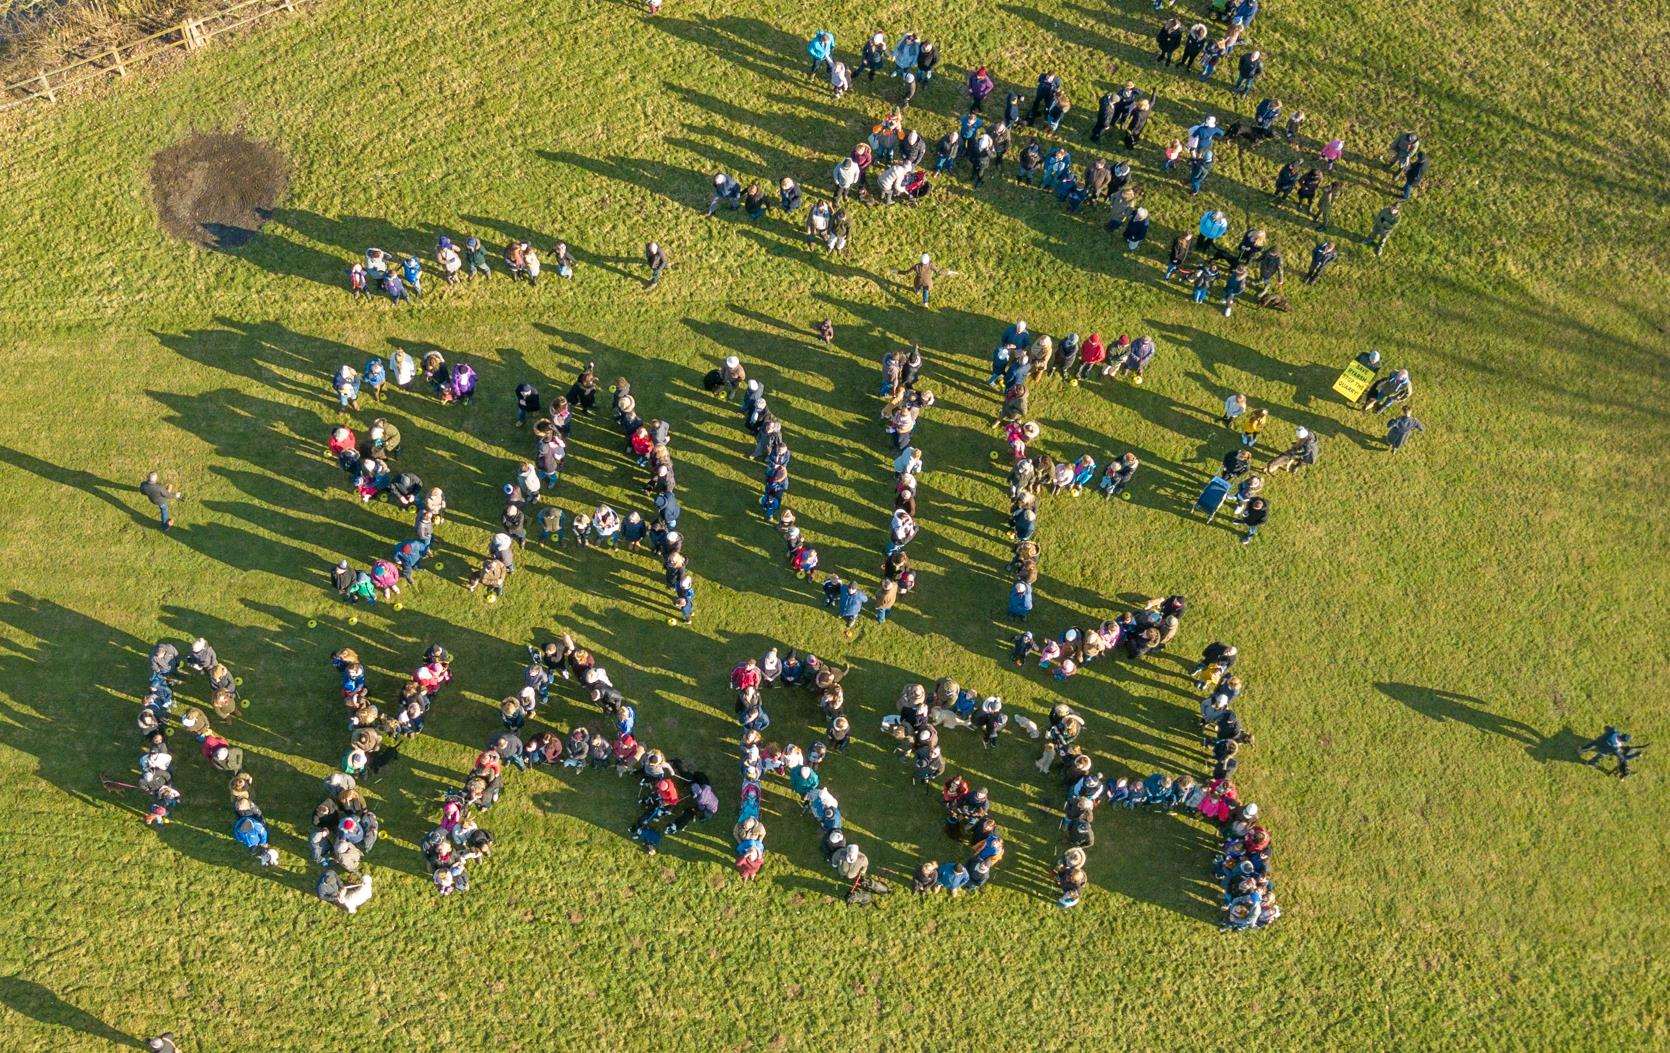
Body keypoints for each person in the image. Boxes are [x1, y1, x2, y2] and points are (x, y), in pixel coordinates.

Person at [1578, 726, 1643, 777]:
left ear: (1622, 734)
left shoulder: (1614, 732)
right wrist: (1635, 755)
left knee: (1592, 744)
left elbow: (1605, 727)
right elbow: (1624, 758)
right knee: (1601, 755)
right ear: (1623, 741)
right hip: (1603, 750)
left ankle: (1581, 750)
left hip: (1598, 742)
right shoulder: (1616, 748)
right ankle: (1590, 762)